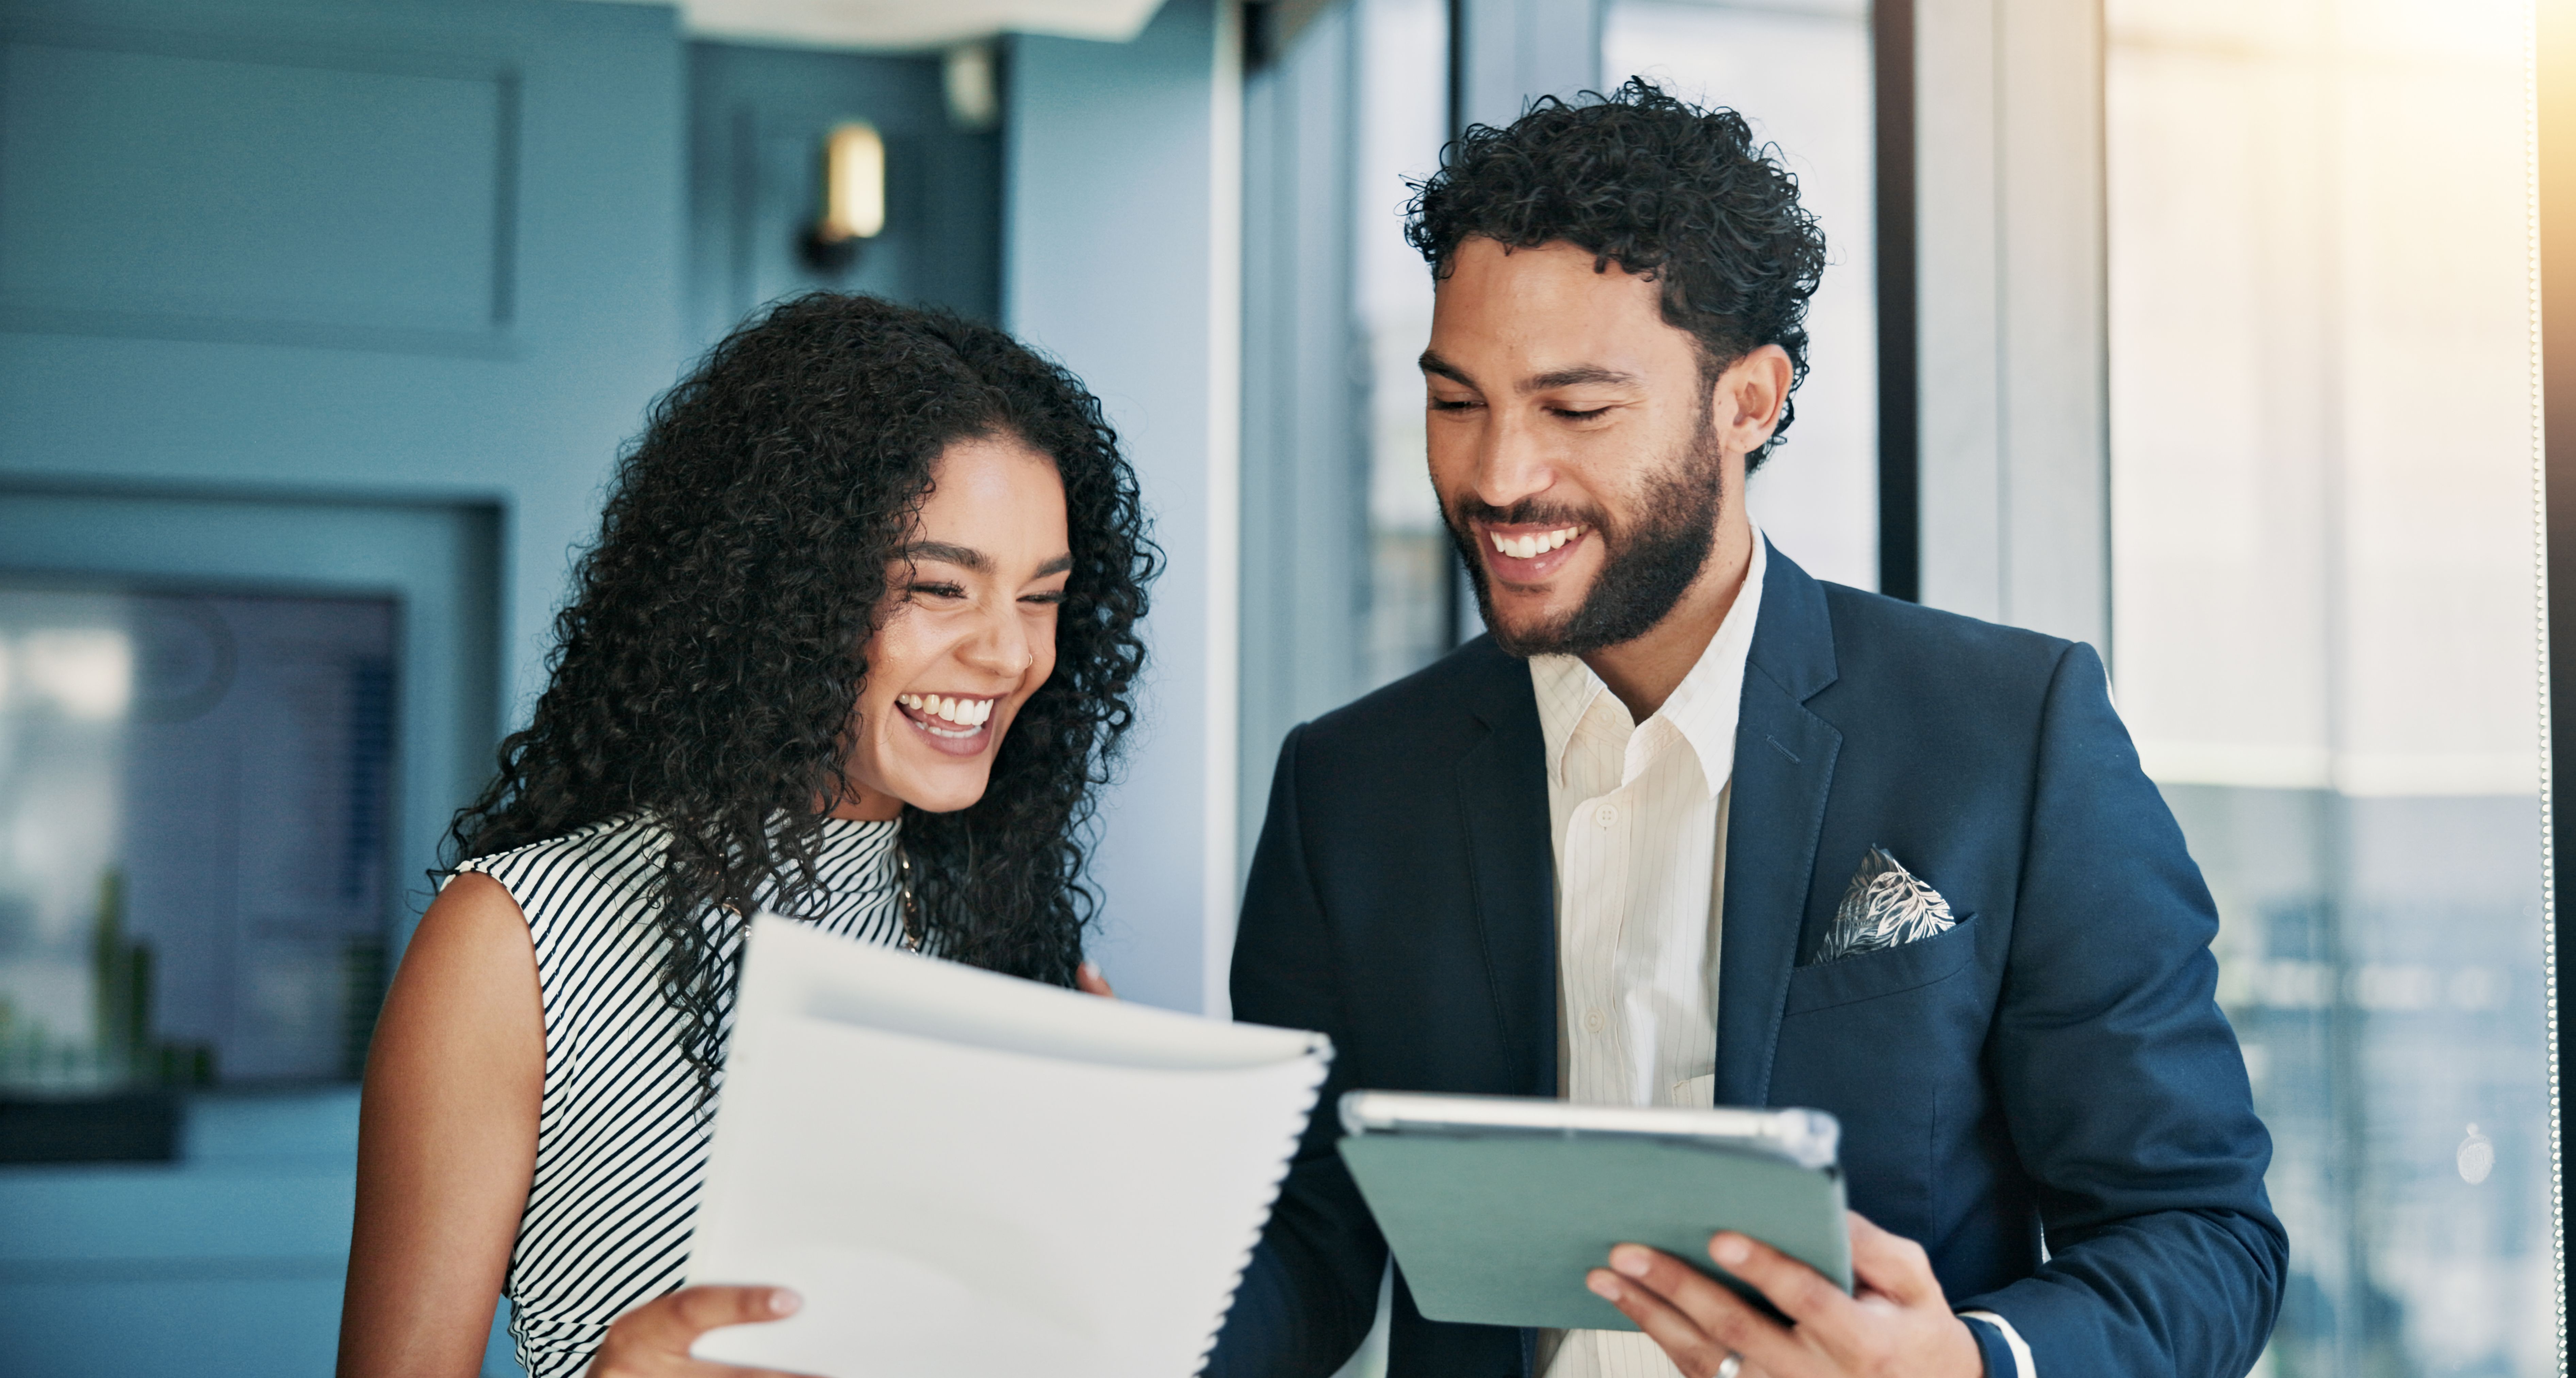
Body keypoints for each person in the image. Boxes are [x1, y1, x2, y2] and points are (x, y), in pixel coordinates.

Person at [1211, 81, 2284, 1378]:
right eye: (1458, 402)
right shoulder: (1348, 787)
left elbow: (2201, 1232)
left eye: (1575, 409)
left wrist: (1970, 1365)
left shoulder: (2015, 735)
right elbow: (1306, 1244)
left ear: (1750, 401)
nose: (1498, 475)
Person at [335, 294, 1157, 1378]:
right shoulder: (519, 945)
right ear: (787, 589)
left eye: (1042, 597)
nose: (1009, 655)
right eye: (939, 587)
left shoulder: (1019, 946)